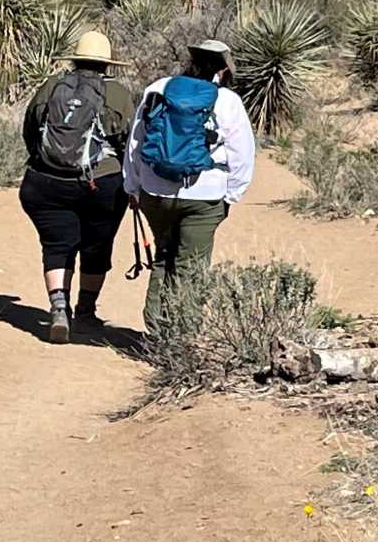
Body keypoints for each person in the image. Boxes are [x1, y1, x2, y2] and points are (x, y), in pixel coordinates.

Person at [123, 38, 257, 332]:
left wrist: (132, 186)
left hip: (154, 189)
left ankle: (157, 329)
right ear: (223, 69)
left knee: (163, 256)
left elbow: (136, 140)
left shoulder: (158, 88)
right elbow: (242, 152)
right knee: (190, 267)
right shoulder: (227, 100)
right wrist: (231, 195)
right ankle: (183, 336)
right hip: (205, 194)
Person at [19, 30, 135, 343]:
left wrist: (42, 161)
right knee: (97, 246)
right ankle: (85, 313)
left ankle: (58, 309)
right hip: (101, 183)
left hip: (45, 182)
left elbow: (30, 129)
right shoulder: (118, 93)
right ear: (106, 64)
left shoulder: (51, 86)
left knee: (57, 245)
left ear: (75, 59)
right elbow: (129, 141)